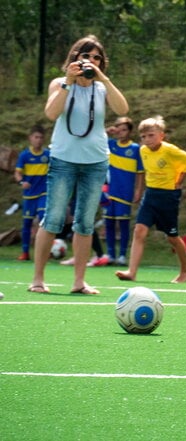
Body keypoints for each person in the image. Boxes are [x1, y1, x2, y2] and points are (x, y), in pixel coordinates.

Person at [29, 35, 129, 295]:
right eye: (87, 56)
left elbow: (122, 108)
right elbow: (51, 114)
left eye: (97, 58)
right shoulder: (60, 83)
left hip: (95, 162)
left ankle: (79, 282)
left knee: (85, 223)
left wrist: (103, 78)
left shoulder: (102, 87)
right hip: (63, 160)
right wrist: (69, 83)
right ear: (75, 57)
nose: (92, 62)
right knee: (52, 219)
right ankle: (38, 279)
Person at [115, 116, 186, 284]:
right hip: (150, 195)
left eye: (151, 135)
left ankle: (185, 270)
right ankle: (131, 272)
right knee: (139, 231)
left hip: (168, 197)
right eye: (144, 136)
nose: (147, 139)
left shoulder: (170, 150)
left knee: (172, 237)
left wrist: (178, 182)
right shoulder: (143, 151)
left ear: (161, 135)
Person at [104, 116, 143, 266]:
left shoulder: (135, 149)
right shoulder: (110, 144)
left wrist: (139, 190)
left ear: (130, 131)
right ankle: (110, 254)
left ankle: (122, 255)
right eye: (118, 129)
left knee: (123, 223)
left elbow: (140, 172)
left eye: (124, 129)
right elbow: (96, 139)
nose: (121, 132)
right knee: (109, 223)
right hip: (109, 190)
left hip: (125, 191)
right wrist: (107, 131)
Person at [14, 125, 48, 262]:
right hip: (29, 195)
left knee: (42, 219)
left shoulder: (48, 155)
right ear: (30, 138)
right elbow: (17, 173)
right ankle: (25, 252)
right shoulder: (25, 155)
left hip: (44, 193)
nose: (38, 140)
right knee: (27, 223)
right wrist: (22, 182)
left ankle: (44, 252)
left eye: (41, 138)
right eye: (36, 137)